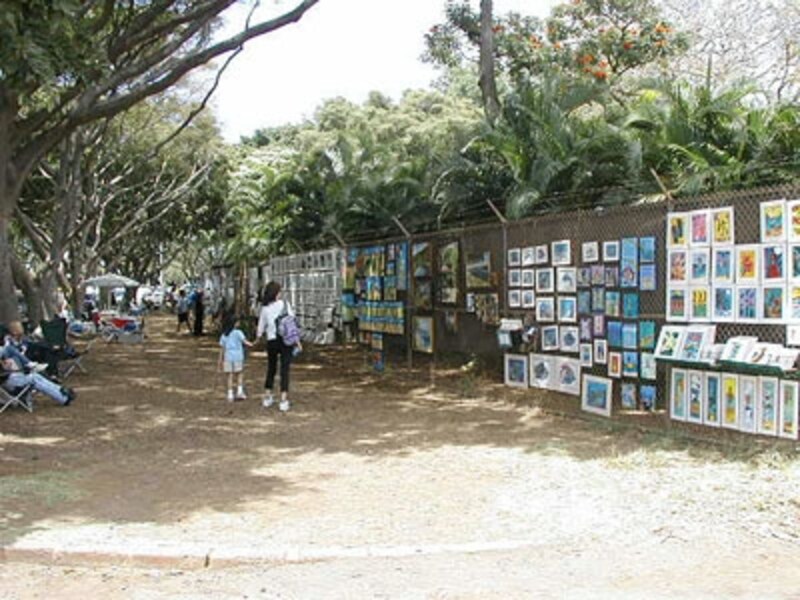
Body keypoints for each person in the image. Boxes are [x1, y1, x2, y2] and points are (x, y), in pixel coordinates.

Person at [256, 281, 302, 412]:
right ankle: (283, 400)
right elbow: (292, 323)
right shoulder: (285, 304)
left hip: (272, 341)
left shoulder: (265, 309)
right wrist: (297, 341)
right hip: (286, 341)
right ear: (277, 293)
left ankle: (267, 396)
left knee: (271, 368)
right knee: (284, 370)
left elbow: (260, 328)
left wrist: (257, 338)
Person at [1, 354, 75, 406]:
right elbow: (3, 374)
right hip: (6, 383)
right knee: (34, 379)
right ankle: (63, 398)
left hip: (11, 377)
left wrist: (9, 367)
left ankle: (60, 390)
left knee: (35, 375)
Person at [217, 314, 254, 402]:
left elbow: (222, 349)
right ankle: (239, 391)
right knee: (239, 374)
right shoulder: (238, 332)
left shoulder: (224, 335)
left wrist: (220, 361)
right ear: (235, 323)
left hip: (228, 357)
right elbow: (245, 342)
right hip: (238, 356)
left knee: (230, 375)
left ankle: (230, 394)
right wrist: (253, 344)